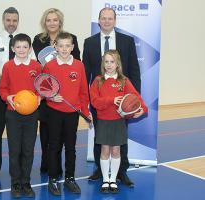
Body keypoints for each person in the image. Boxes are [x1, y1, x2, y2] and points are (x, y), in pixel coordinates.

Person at [83, 7, 141, 187]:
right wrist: (85, 101)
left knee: (120, 137)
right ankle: (100, 171)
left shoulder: (127, 41)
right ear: (98, 21)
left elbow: (134, 71)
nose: (107, 21)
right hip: (99, 99)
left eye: (110, 18)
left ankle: (121, 172)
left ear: (115, 21)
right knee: (99, 135)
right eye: (103, 18)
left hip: (122, 101)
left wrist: (134, 100)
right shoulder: (90, 42)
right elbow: (85, 73)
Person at [90, 50, 147, 193]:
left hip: (118, 121)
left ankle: (113, 180)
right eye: (106, 62)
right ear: (103, 64)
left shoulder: (124, 81)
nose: (109, 65)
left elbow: (136, 97)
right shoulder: (98, 80)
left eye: (112, 62)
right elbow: (95, 102)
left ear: (117, 64)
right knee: (104, 150)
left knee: (116, 150)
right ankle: (105, 180)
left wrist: (143, 109)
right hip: (103, 121)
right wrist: (111, 100)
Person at [32, 8, 80, 175]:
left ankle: (60, 169)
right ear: (44, 22)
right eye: (48, 20)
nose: (52, 23)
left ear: (60, 21)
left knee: (64, 137)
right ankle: (48, 164)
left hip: (64, 96)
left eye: (55, 20)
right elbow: (38, 66)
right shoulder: (38, 40)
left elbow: (77, 63)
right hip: (47, 93)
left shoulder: (70, 38)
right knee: (46, 133)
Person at [0, 7, 36, 180]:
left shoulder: (24, 43)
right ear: (3, 20)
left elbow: (34, 68)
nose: (11, 23)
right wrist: (1, 77)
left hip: (22, 96)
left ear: (18, 21)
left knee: (20, 139)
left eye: (14, 20)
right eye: (8, 20)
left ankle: (22, 177)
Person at [43, 32, 90, 196]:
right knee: (54, 146)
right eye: (60, 46)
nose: (64, 49)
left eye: (67, 46)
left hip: (72, 114)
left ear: (72, 47)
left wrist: (85, 111)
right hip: (54, 112)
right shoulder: (49, 66)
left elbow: (84, 91)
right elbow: (44, 88)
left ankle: (70, 178)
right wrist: (51, 96)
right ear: (55, 47)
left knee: (71, 148)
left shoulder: (79, 65)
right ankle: (53, 179)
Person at [0, 33, 41, 198]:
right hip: (13, 114)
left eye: (25, 47)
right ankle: (15, 183)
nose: (21, 50)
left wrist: (39, 97)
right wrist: (7, 97)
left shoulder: (36, 66)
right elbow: (2, 88)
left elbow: (41, 88)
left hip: (31, 115)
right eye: (18, 47)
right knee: (15, 150)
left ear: (30, 49)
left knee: (28, 150)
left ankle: (26, 182)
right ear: (12, 48)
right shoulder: (8, 66)